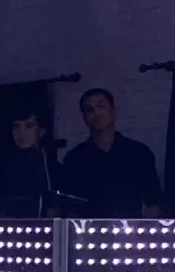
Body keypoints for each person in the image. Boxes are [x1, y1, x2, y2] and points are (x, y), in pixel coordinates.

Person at [60, 88, 163, 220]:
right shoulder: (74, 159)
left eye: (101, 106)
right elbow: (69, 207)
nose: (96, 113)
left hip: (129, 228)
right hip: (89, 229)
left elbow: (154, 199)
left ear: (113, 112)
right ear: (84, 117)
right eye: (89, 109)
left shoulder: (138, 153)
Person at [0, 105, 59, 219]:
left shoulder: (52, 167)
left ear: (42, 131)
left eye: (29, 126)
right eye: (16, 126)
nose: (22, 133)